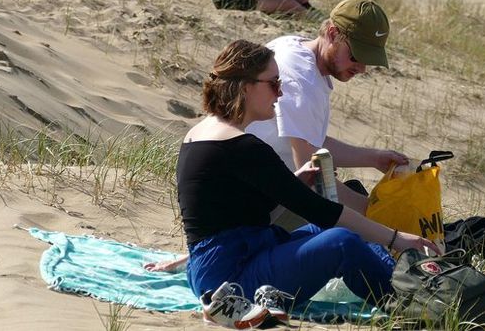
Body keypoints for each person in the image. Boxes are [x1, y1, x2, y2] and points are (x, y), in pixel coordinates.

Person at [177, 40, 440, 320]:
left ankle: (409, 277)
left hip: (213, 267)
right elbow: (322, 210)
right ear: (245, 87)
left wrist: (293, 184)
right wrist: (397, 238)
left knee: (329, 233)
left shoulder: (200, 133)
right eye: (273, 84)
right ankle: (413, 303)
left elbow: (238, 215)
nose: (280, 94)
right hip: (230, 283)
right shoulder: (242, 147)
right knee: (342, 242)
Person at [246, 0, 406, 224]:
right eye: (356, 56)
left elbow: (310, 140)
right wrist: (373, 213)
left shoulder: (294, 47)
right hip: (254, 209)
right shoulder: (302, 79)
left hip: (263, 192)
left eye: (368, 59)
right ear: (332, 34)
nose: (362, 68)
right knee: (351, 238)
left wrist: (373, 158)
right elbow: (312, 176)